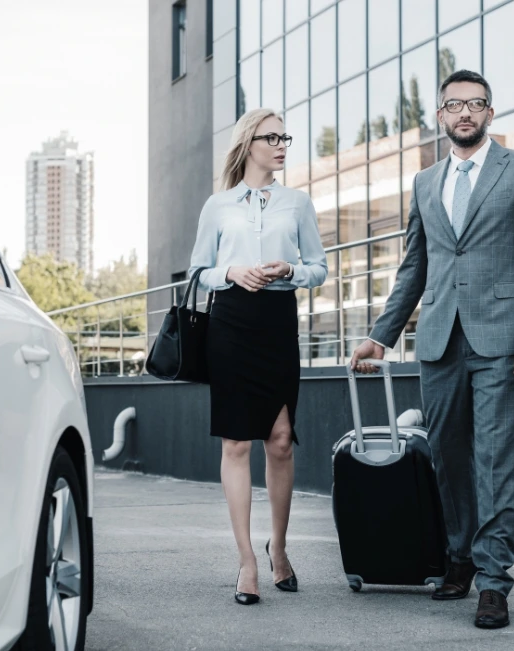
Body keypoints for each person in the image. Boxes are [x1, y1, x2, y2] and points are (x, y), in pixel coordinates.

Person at [349, 70, 514, 629]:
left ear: (490, 113)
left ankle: (494, 582)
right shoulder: (425, 183)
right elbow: (414, 269)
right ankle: (461, 557)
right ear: (441, 116)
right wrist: (381, 334)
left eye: (475, 104)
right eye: (454, 105)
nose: (464, 113)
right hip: (440, 340)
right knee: (446, 455)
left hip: (504, 342)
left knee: (496, 461)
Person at [189, 108, 327, 605]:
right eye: (273, 137)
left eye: (285, 137)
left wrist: (291, 269)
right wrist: (230, 273)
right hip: (230, 322)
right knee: (235, 443)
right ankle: (247, 561)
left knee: (282, 439)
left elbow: (320, 269)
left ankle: (280, 548)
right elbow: (197, 271)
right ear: (249, 143)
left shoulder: (298, 203)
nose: (283, 144)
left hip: (276, 321)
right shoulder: (218, 205)